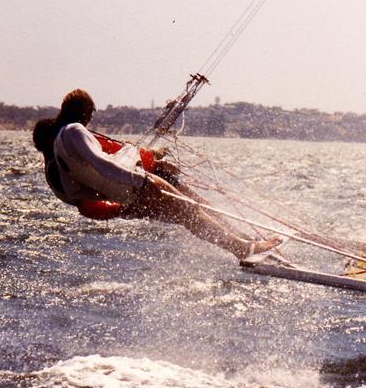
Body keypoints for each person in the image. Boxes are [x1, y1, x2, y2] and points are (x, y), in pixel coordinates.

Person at [33, 89, 280, 261]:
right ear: (84, 110)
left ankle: (244, 243)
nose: (91, 118)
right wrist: (140, 177)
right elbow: (102, 164)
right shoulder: (73, 131)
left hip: (129, 197)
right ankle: (244, 247)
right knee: (193, 210)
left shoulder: (58, 162)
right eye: (91, 112)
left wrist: (130, 194)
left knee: (190, 216)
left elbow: (97, 182)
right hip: (138, 186)